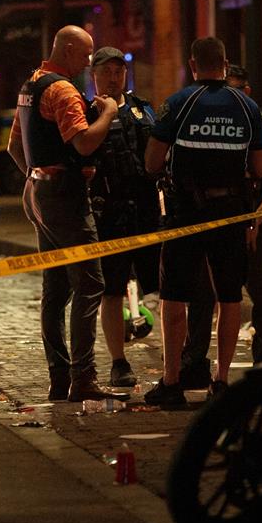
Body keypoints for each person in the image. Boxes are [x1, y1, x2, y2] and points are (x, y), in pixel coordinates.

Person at [7, 25, 129, 403]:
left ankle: (59, 376)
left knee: (56, 287)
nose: (89, 61)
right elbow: (84, 140)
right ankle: (83, 376)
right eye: (86, 54)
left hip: (40, 191)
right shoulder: (61, 90)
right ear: (68, 48)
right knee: (90, 283)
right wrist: (108, 112)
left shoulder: (31, 85)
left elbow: (15, 145)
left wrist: (36, 174)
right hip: (65, 197)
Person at [144, 39, 262, 408]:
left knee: (174, 296)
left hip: (185, 214)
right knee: (229, 297)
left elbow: (152, 162)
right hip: (231, 212)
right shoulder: (248, 107)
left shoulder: (178, 104)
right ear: (226, 65)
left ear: (192, 64)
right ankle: (223, 380)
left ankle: (171, 382)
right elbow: (259, 168)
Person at [179, 65, 262, 377]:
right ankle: (194, 362)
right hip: (220, 221)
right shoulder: (219, 130)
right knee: (204, 293)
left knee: (260, 294)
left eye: (235, 89)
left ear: (247, 92)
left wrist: (256, 222)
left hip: (255, 224)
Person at [87, 46, 160, 387]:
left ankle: (177, 359)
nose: (114, 76)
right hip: (110, 212)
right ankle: (119, 362)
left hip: (145, 209)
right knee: (112, 290)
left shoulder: (143, 110)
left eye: (119, 70)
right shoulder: (88, 112)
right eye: (107, 71)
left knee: (164, 286)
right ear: (95, 75)